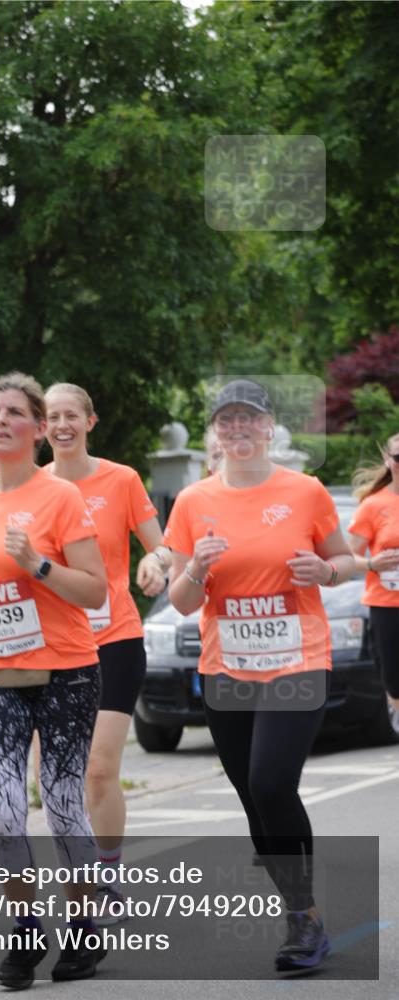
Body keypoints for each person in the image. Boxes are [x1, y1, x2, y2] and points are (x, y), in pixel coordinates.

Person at [164, 379, 354, 973]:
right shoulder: (193, 502)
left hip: (298, 660)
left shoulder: (305, 491)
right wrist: (195, 567)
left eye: (249, 419)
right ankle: (299, 909)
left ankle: (304, 918)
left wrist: (324, 569)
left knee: (272, 784)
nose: (238, 429)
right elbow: (181, 601)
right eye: (227, 421)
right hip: (227, 670)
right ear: (214, 433)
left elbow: (345, 562)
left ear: (270, 427)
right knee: (255, 801)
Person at [0, 372, 109, 989]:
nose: (0, 419)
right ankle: (25, 926)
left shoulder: (60, 496)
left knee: (63, 807)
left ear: (39, 429)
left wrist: (37, 563)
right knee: (4, 810)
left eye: (14, 412)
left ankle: (87, 925)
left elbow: (96, 590)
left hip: (65, 671)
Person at [42, 382, 170, 923]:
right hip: (49, 649)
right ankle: (79, 873)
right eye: (52, 417)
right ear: (41, 427)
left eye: (72, 415)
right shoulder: (27, 488)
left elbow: (162, 543)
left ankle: (109, 869)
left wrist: (156, 562)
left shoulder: (120, 480)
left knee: (97, 769)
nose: (62, 425)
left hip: (113, 638)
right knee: (57, 777)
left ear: (90, 422)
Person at [348, 433, 399, 713]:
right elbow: (347, 557)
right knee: (393, 683)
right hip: (387, 606)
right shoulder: (373, 505)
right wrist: (371, 564)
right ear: (388, 460)